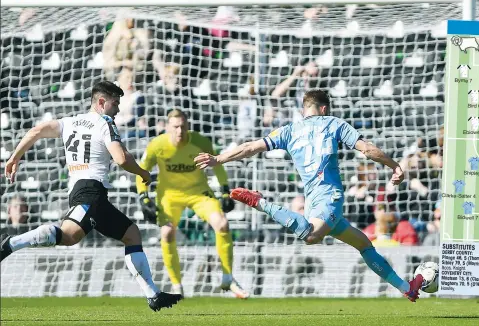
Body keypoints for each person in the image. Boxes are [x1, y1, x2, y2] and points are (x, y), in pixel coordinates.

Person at [194, 90, 425, 302]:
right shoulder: (334, 123)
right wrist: (395, 166)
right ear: (324, 108)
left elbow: (250, 146)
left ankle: (408, 288)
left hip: (316, 202)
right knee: (311, 236)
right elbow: (367, 148)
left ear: (304, 108)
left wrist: (218, 159)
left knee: (364, 243)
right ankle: (260, 202)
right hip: (330, 198)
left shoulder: (288, 131)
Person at [1, 81, 182, 312]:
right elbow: (121, 159)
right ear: (101, 102)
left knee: (131, 234)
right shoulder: (105, 122)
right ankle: (11, 243)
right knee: (68, 235)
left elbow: (36, 131)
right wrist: (143, 172)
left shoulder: (69, 122)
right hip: (91, 192)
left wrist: (15, 157)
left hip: (84, 190)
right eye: (115, 104)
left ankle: (153, 295)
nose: (117, 110)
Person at [136, 109, 249, 299]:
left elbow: (217, 165)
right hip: (169, 195)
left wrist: (225, 189)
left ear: (188, 126)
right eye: (175, 127)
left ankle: (228, 278)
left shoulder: (201, 142)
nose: (180, 131)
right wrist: (143, 197)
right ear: (167, 127)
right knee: (166, 232)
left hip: (198, 193)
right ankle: (177, 286)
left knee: (222, 224)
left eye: (183, 126)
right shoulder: (157, 145)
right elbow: (142, 170)